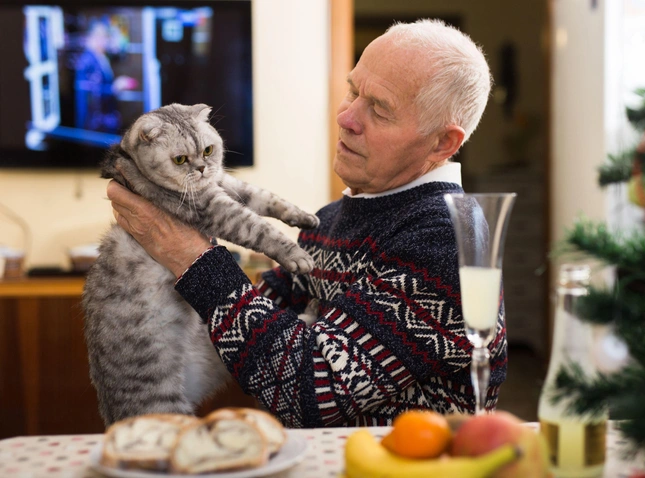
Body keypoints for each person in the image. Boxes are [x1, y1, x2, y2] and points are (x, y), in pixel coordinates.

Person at [106, 19, 507, 427]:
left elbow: (309, 389)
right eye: (353, 90)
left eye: (380, 110)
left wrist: (190, 255)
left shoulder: (448, 238)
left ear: (442, 143)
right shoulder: (332, 219)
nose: (347, 117)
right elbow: (250, 326)